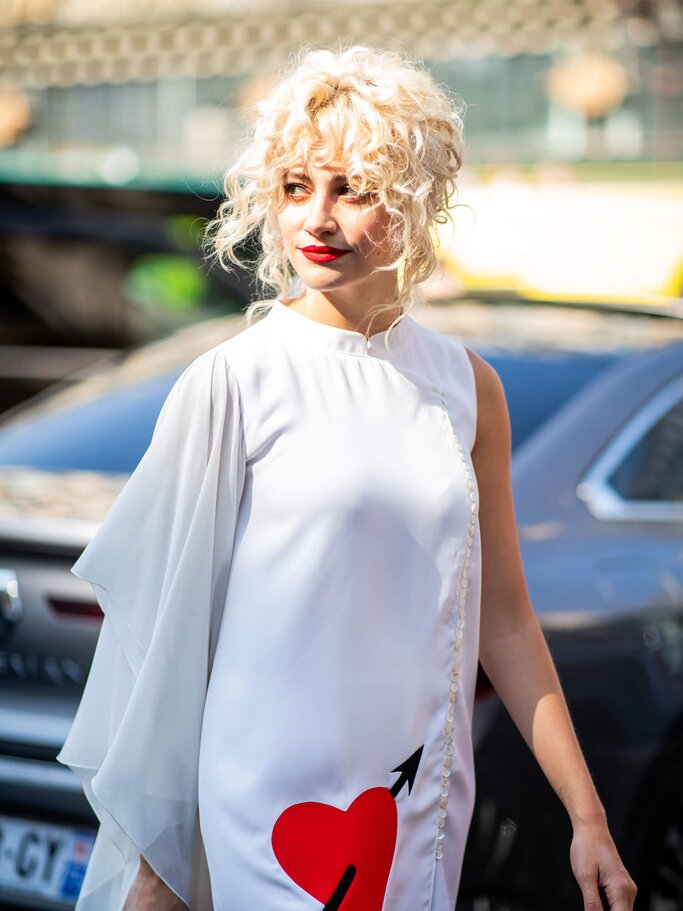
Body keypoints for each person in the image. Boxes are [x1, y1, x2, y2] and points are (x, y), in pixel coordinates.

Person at [57, 44, 637, 911]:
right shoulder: (234, 382)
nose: (315, 220)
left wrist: (586, 817)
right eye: (294, 187)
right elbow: (169, 645)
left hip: (411, 805)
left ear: (413, 200)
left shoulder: (467, 387)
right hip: (259, 805)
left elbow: (506, 620)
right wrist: (159, 871)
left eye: (351, 189)